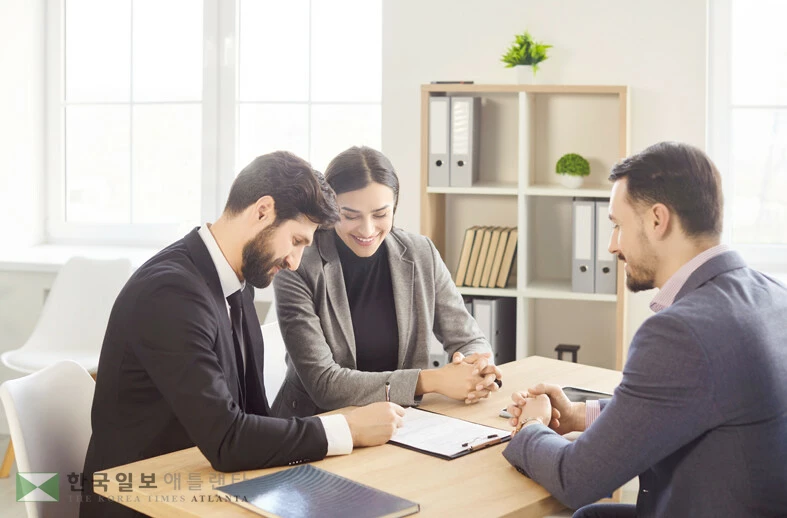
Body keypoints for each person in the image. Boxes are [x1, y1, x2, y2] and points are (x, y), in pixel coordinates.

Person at [81, 152, 405, 518]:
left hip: (212, 487)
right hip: (149, 501)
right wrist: (346, 428)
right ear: (263, 211)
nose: (295, 262)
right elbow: (228, 440)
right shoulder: (170, 293)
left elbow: (252, 414)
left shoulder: (236, 281)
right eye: (296, 240)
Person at [503, 142, 787, 517]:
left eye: (618, 226)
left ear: (657, 220)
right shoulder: (772, 295)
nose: (611, 245)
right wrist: (576, 416)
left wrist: (529, 429)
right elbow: (681, 403)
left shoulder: (680, 333)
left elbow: (577, 479)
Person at [271, 146, 502, 418]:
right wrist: (434, 381)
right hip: (318, 425)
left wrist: (478, 368)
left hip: (401, 422)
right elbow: (325, 385)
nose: (367, 230)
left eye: (380, 214)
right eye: (350, 216)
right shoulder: (297, 263)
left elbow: (469, 338)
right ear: (331, 211)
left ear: (395, 208)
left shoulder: (420, 253)